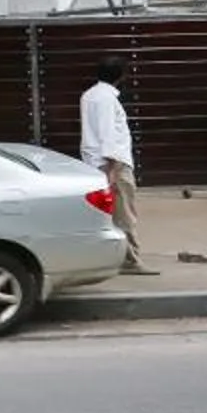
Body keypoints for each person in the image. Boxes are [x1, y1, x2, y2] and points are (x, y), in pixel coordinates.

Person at [78, 57, 155, 276]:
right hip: (113, 166)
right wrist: (113, 169)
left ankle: (114, 257)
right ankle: (130, 261)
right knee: (124, 215)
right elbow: (108, 134)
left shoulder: (90, 95)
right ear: (121, 76)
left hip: (97, 163)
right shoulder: (106, 99)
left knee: (110, 215)